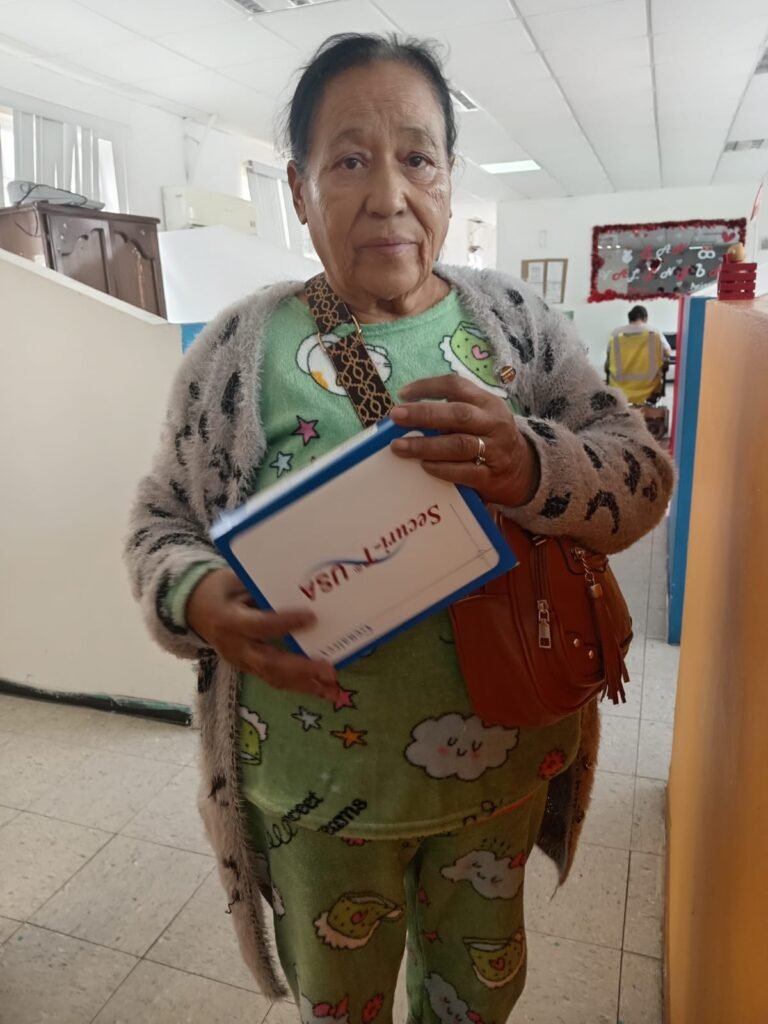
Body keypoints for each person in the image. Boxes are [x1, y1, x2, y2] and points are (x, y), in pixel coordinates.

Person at [126, 34, 674, 1022]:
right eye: (349, 160)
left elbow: (640, 474)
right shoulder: (240, 350)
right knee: (342, 1005)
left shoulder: (515, 325)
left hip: (501, 777)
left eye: (417, 157)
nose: (388, 195)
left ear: (449, 176)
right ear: (298, 190)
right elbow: (159, 523)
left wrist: (531, 465)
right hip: (314, 797)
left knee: (476, 999)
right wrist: (199, 599)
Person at [606, 305, 673, 405]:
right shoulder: (654, 332)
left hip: (619, 387)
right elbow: (668, 352)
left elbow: (609, 355)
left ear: (629, 319)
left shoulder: (615, 334)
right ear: (645, 318)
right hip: (649, 387)